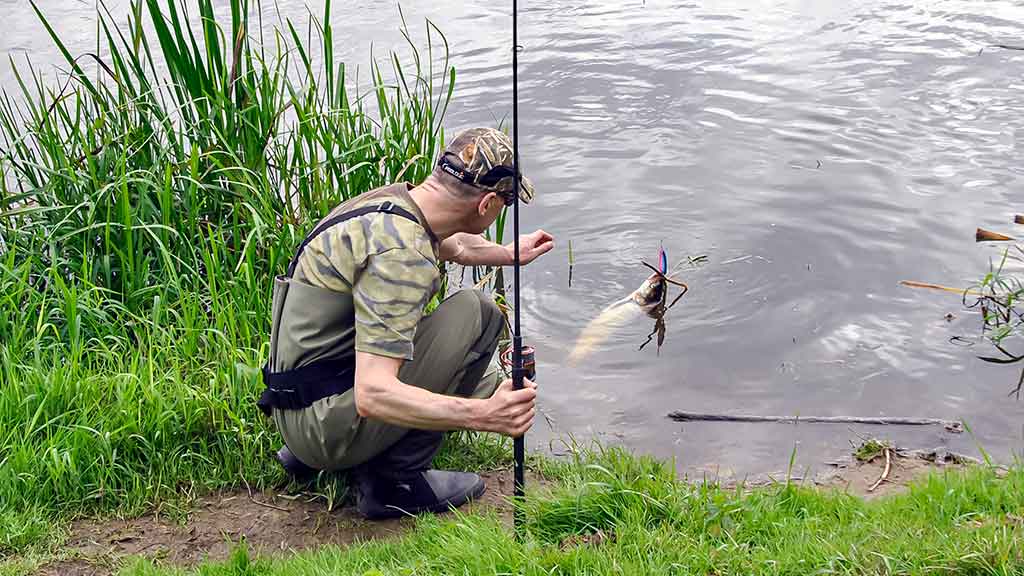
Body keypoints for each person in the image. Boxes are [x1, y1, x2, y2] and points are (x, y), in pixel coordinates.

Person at [257, 127, 554, 520]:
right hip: (321, 426)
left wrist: (506, 253)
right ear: (487, 204)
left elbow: (457, 245)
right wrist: (486, 416)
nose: (504, 210)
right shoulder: (402, 253)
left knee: (451, 318)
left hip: (298, 403)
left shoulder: (395, 204)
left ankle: (312, 456)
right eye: (506, 202)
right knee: (478, 314)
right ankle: (393, 481)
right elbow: (373, 394)